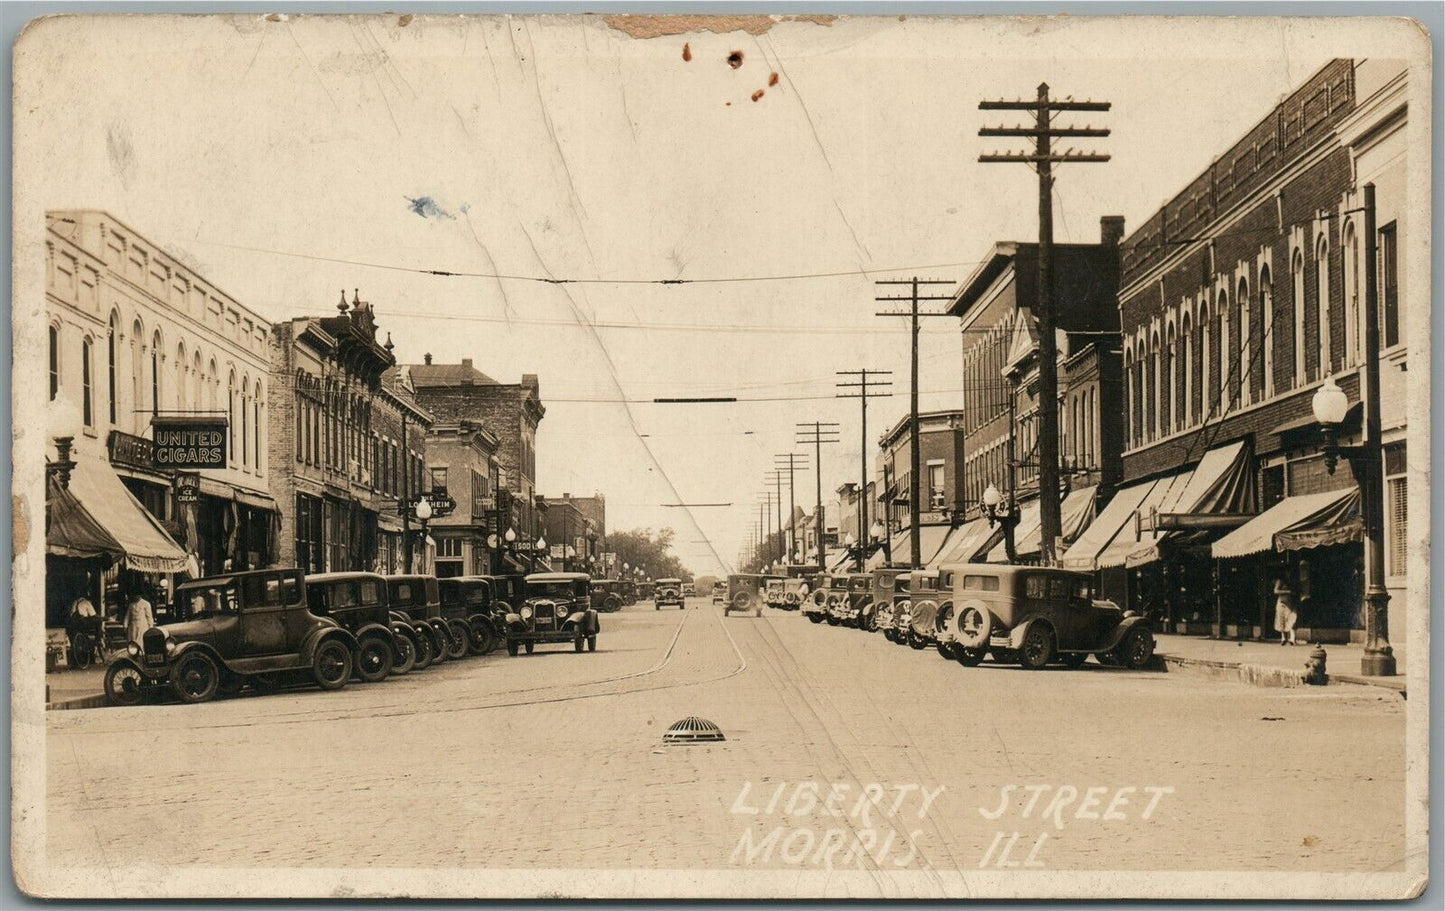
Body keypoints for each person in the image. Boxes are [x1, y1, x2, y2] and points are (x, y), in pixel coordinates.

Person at [1273, 578, 1299, 646]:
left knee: (1292, 618)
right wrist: (1287, 591)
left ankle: (1292, 639)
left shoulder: (1293, 581)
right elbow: (1275, 591)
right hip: (1282, 603)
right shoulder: (1280, 581)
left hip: (1290, 603)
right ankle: (1283, 638)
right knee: (1281, 619)